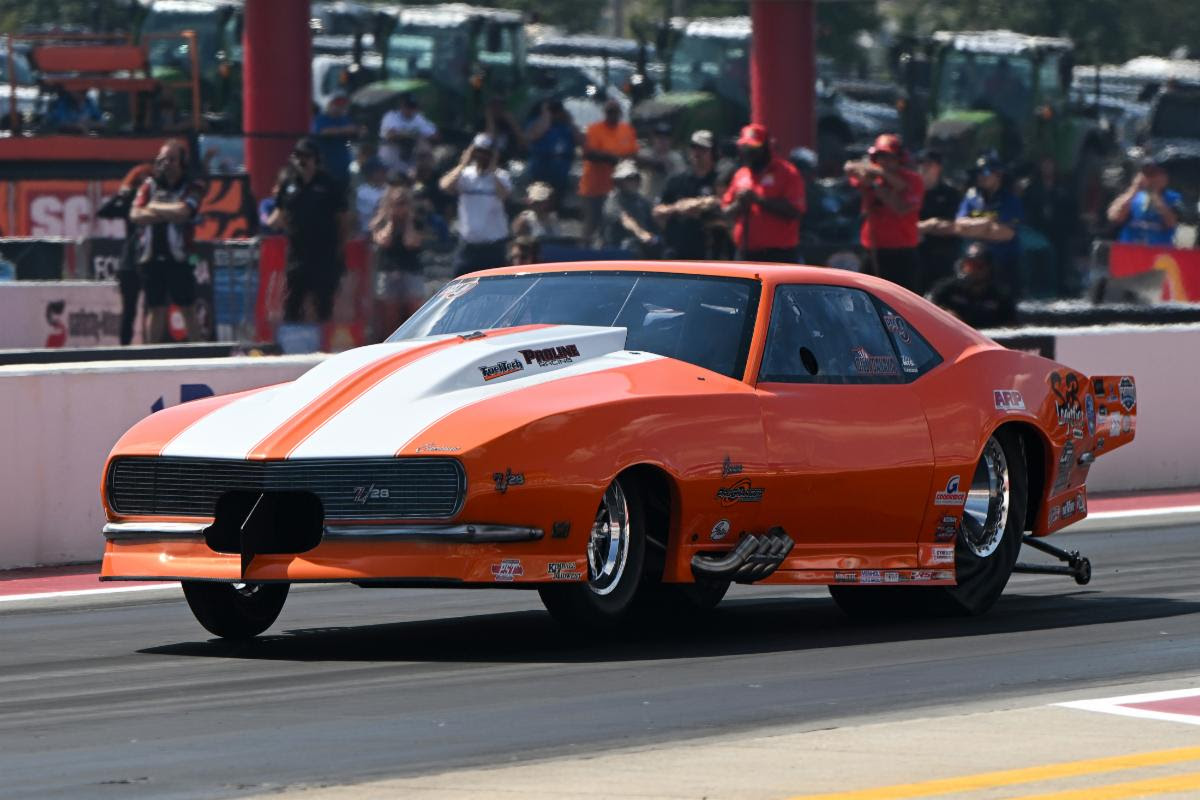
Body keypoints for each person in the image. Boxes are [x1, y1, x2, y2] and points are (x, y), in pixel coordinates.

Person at [129, 140, 205, 343]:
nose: (166, 164)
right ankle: (151, 357)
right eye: (162, 160)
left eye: (171, 160)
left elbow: (184, 212)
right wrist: (167, 211)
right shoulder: (148, 186)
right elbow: (136, 214)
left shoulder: (193, 186)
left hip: (180, 257)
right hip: (151, 257)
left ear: (182, 163)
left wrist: (154, 208)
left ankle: (199, 354)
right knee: (155, 308)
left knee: (188, 307)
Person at [269, 137, 351, 323]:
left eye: (306, 156)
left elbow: (343, 219)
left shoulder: (329, 185)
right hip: (297, 253)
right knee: (292, 302)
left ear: (315, 159)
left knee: (323, 303)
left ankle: (323, 346)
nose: (301, 161)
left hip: (324, 252)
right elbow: (279, 214)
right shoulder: (289, 185)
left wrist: (340, 247)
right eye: (297, 156)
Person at [844, 133, 925, 289]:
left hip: (901, 253)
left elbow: (901, 208)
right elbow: (850, 168)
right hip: (873, 249)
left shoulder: (913, 180)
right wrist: (875, 175)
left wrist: (880, 185)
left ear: (899, 159)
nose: (885, 162)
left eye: (890, 157)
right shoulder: (872, 174)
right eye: (881, 157)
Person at [721, 123, 806, 263]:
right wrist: (739, 204)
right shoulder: (741, 174)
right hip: (745, 253)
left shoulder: (787, 173)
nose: (749, 152)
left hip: (779, 254)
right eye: (745, 147)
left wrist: (759, 200)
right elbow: (725, 211)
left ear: (765, 147)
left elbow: (795, 210)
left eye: (754, 147)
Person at [96, 162, 154, 345]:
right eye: (139, 182)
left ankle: (152, 346)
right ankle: (124, 350)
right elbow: (103, 212)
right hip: (130, 260)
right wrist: (122, 193)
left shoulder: (157, 201)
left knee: (152, 307)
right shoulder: (130, 201)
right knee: (129, 310)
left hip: (151, 257)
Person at [439, 133, 511, 276]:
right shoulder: (465, 175)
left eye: (487, 153)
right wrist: (463, 163)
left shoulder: (501, 176)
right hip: (469, 245)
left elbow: (504, 195)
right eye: (480, 152)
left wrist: (492, 169)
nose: (483, 156)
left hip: (493, 245)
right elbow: (445, 186)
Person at [953, 154, 1023, 297]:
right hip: (974, 266)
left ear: (998, 175)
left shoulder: (1010, 201)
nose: (981, 176)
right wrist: (987, 223)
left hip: (1003, 265)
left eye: (985, 172)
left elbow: (1006, 233)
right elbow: (959, 226)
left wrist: (972, 228)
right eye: (978, 172)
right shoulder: (971, 198)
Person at [654, 129, 722, 260]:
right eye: (694, 149)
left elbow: (723, 204)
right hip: (677, 250)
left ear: (713, 153)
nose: (697, 154)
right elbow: (657, 211)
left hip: (709, 253)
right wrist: (678, 209)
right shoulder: (677, 180)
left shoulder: (720, 180)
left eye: (703, 150)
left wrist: (700, 206)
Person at [370, 185, 427, 338]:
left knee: (414, 308)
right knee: (390, 312)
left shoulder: (417, 221)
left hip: (410, 270)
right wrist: (390, 220)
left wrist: (408, 221)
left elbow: (411, 241)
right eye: (396, 203)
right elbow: (384, 240)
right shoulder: (381, 222)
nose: (400, 207)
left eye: (403, 203)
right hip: (388, 270)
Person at [579, 99, 638, 243]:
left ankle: (609, 253)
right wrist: (611, 157)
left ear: (620, 113)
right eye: (609, 112)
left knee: (613, 223)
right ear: (605, 113)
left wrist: (619, 159)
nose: (612, 115)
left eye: (615, 112)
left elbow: (633, 154)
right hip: (594, 188)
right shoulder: (594, 129)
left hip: (618, 189)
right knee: (591, 224)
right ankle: (582, 254)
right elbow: (588, 153)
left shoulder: (626, 130)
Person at [1023, 155, 1079, 295]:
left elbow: (1071, 208)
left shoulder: (1063, 186)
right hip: (1039, 230)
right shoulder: (1033, 187)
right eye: (1044, 164)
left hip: (1059, 230)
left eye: (1050, 164)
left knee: (1060, 261)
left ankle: (1060, 288)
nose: (1047, 168)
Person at [927, 242, 1016, 329]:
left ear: (989, 268)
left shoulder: (1000, 296)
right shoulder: (946, 288)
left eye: (979, 266)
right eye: (969, 265)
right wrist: (944, 315)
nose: (973, 270)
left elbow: (1010, 327)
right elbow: (926, 309)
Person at [915, 149, 963, 292]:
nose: (923, 167)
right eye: (920, 163)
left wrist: (924, 227)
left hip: (942, 256)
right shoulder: (911, 191)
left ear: (938, 167)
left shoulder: (951, 193)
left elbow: (954, 226)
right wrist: (931, 224)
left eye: (928, 164)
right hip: (915, 257)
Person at [1108, 156, 1183, 246]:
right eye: (1147, 174)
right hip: (1130, 251)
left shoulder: (1173, 198)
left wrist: (1155, 195)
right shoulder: (1130, 196)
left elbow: (1172, 223)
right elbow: (1115, 216)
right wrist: (1134, 190)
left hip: (1159, 253)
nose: (1150, 178)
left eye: (1154, 174)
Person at [524, 99, 580, 201]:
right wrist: (546, 114)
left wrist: (570, 121)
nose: (555, 113)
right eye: (553, 110)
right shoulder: (536, 122)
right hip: (540, 167)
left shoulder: (566, 126)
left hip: (560, 170)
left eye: (557, 110)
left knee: (556, 201)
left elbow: (580, 140)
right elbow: (534, 135)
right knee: (538, 199)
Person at [602, 160, 661, 257]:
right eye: (628, 179)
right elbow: (625, 219)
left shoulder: (642, 201)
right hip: (616, 248)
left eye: (635, 178)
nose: (632, 182)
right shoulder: (613, 200)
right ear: (619, 182)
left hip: (641, 246)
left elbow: (654, 219)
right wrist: (641, 234)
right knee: (630, 245)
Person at [379, 94, 437, 174]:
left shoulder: (419, 118)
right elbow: (391, 135)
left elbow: (435, 135)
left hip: (409, 163)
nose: (410, 109)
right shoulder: (391, 116)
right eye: (408, 106)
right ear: (402, 106)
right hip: (388, 162)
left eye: (413, 107)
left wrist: (417, 137)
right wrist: (412, 135)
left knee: (423, 145)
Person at [310, 93, 358, 184]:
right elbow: (323, 131)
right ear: (329, 104)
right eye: (336, 104)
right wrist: (344, 130)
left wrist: (355, 131)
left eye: (342, 105)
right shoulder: (320, 118)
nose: (339, 107)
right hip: (325, 164)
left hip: (343, 165)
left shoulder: (345, 119)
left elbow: (355, 131)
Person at [638, 122, 686, 203]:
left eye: (665, 138)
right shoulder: (645, 154)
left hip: (667, 200)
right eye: (659, 137)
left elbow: (681, 178)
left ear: (671, 140)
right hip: (646, 199)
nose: (662, 141)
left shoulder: (676, 158)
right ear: (653, 138)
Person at [355, 157, 388, 235]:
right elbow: (380, 207)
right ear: (370, 173)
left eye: (384, 170)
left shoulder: (387, 188)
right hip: (368, 233)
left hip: (386, 233)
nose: (384, 173)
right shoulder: (362, 192)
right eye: (380, 171)